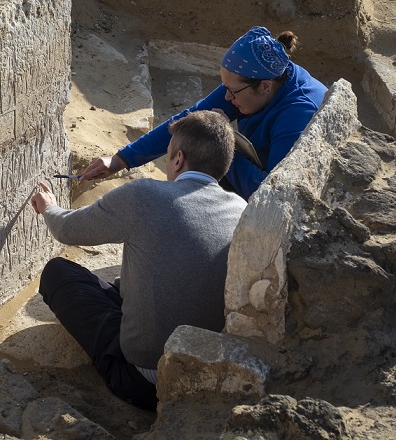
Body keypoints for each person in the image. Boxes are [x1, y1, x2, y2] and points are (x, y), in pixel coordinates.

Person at [31, 111, 247, 411]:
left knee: (58, 273)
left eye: (168, 154)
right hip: (205, 371)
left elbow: (68, 230)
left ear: (179, 159)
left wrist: (49, 208)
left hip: (143, 379)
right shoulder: (241, 208)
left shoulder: (145, 194)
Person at [80, 26, 328, 200]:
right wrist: (121, 160)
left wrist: (222, 142)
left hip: (278, 191)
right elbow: (189, 120)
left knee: (201, 152)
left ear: (264, 87)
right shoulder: (261, 77)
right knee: (197, 137)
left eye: (232, 91)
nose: (227, 98)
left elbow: (271, 192)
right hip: (259, 168)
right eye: (225, 89)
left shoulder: (298, 115)